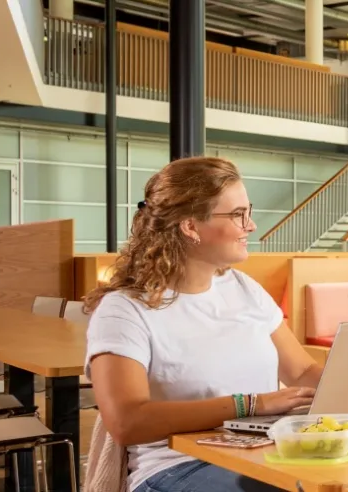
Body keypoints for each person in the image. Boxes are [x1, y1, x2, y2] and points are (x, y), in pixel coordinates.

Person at [84, 157, 313, 492]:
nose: (251, 226)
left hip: (264, 452)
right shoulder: (123, 310)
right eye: (238, 215)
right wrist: (252, 404)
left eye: (248, 212)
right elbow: (126, 422)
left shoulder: (244, 288)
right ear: (190, 227)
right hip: (177, 467)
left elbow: (303, 372)